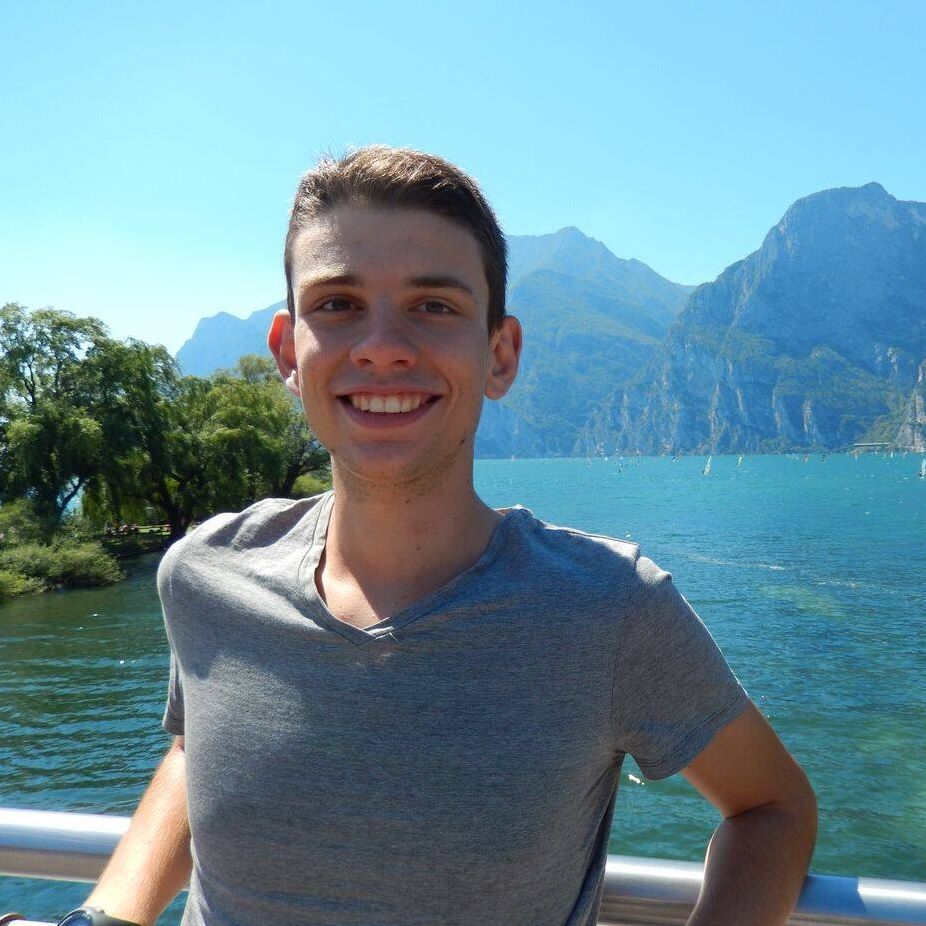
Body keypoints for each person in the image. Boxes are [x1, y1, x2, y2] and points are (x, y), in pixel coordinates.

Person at [66, 146, 817, 926]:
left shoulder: (609, 610)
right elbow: (198, 747)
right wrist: (104, 917)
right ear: (289, 353)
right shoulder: (203, 575)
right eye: (338, 303)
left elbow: (772, 807)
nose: (382, 344)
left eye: (434, 306)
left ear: (500, 355)